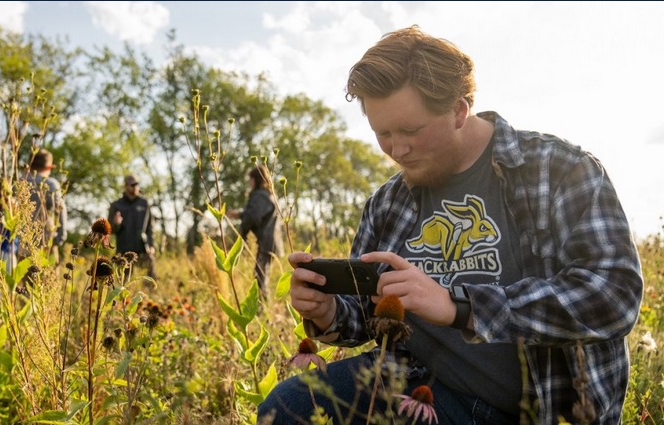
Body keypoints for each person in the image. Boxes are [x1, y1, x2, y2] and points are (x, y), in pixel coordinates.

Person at [258, 26, 643, 424]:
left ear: (460, 110)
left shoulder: (559, 170)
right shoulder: (388, 202)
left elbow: (614, 297)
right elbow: (368, 317)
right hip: (415, 384)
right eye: (382, 133)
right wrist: (327, 312)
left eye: (410, 131)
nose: (397, 149)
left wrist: (459, 306)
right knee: (287, 409)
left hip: (534, 408)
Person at [228, 164, 283, 296]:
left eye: (251, 178)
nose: (249, 181)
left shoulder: (261, 196)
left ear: (257, 179)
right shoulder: (267, 195)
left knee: (260, 278)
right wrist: (240, 214)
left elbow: (253, 216)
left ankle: (262, 309)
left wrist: (241, 232)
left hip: (265, 242)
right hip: (270, 242)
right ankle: (263, 307)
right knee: (262, 275)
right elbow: (254, 213)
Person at [108, 174, 157, 281]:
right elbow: (111, 230)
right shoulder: (116, 205)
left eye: (137, 184)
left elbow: (150, 227)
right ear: (126, 186)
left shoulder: (144, 203)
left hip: (142, 248)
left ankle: (150, 293)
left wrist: (151, 245)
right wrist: (116, 223)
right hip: (124, 249)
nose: (135, 187)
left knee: (150, 277)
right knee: (122, 283)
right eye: (132, 184)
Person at [24, 149, 66, 261]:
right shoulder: (51, 184)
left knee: (24, 277)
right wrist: (59, 238)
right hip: (47, 242)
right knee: (48, 277)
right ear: (48, 167)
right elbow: (60, 212)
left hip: (23, 245)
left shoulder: (20, 182)